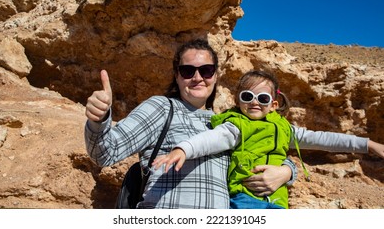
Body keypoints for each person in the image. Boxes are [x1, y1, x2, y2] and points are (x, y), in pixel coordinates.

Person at [84, 39, 295, 209]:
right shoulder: (162, 108)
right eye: (187, 71)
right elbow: (105, 153)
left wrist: (287, 171)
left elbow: (266, 146)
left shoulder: (229, 122)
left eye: (206, 71)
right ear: (176, 76)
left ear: (215, 76)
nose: (197, 78)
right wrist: (99, 120)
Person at [153, 69, 384, 209]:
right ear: (238, 100)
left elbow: (323, 139)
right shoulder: (237, 126)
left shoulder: (284, 128)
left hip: (278, 201)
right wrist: (183, 149)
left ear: (273, 104)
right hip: (244, 200)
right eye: (247, 96)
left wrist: (368, 144)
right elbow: (211, 139)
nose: (254, 102)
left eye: (262, 97)